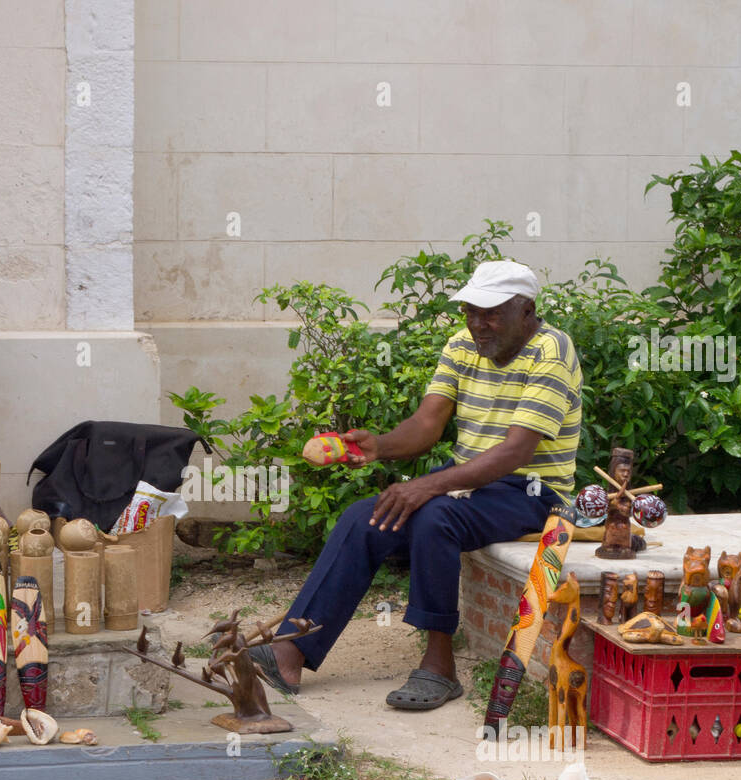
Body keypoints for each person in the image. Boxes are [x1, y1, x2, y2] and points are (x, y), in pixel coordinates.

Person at [249, 260, 583, 710]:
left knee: (436, 516)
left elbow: (514, 452)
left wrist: (428, 487)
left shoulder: (551, 350)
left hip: (532, 490)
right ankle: (290, 649)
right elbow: (428, 422)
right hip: (472, 482)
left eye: (491, 313)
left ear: (527, 310)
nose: (478, 324)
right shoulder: (464, 344)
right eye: (470, 311)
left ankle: (439, 666)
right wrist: (379, 447)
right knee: (363, 518)